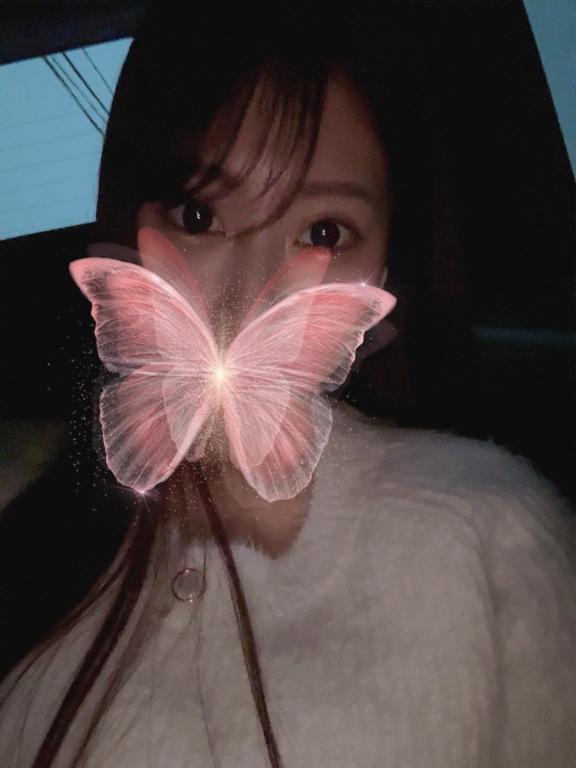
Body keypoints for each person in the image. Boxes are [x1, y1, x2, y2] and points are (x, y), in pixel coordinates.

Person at [1, 3, 575, 767]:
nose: (249, 294)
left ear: (385, 272)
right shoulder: (33, 533)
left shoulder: (489, 534)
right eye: (199, 215)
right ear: (129, 223)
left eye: (324, 233)